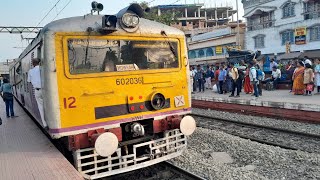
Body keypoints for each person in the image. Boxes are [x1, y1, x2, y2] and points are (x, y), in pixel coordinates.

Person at [27, 58, 48, 128]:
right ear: (39, 62)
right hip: (46, 90)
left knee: (40, 107)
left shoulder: (30, 71)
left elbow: (29, 81)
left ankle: (45, 124)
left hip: (37, 90)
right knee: (48, 105)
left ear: (33, 63)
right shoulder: (43, 68)